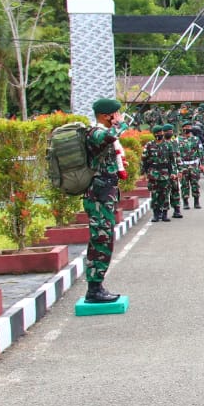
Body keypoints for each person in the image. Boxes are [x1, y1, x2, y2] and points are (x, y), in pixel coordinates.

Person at [82, 98, 127, 303]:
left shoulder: (102, 132)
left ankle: (96, 286)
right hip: (98, 196)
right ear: (104, 115)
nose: (118, 117)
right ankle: (94, 289)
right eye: (115, 114)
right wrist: (121, 125)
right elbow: (107, 138)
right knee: (101, 240)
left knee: (104, 238)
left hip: (104, 195)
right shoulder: (95, 132)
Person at [141, 124, 174, 223]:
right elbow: (144, 159)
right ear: (154, 134)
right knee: (155, 194)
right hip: (153, 173)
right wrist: (144, 172)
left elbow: (172, 160)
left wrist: (173, 172)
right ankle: (156, 214)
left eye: (160, 133)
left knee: (164, 194)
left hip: (165, 173)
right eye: (157, 133)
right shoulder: (149, 145)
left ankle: (164, 214)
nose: (159, 135)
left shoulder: (168, 145)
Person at [178, 122, 204, 211]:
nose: (187, 129)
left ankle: (196, 201)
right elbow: (176, 154)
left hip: (194, 165)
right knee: (184, 184)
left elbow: (200, 152)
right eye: (185, 127)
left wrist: (202, 164)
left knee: (195, 183)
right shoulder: (178, 140)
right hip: (183, 164)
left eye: (189, 127)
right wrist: (178, 168)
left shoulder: (196, 139)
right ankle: (185, 202)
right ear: (182, 129)